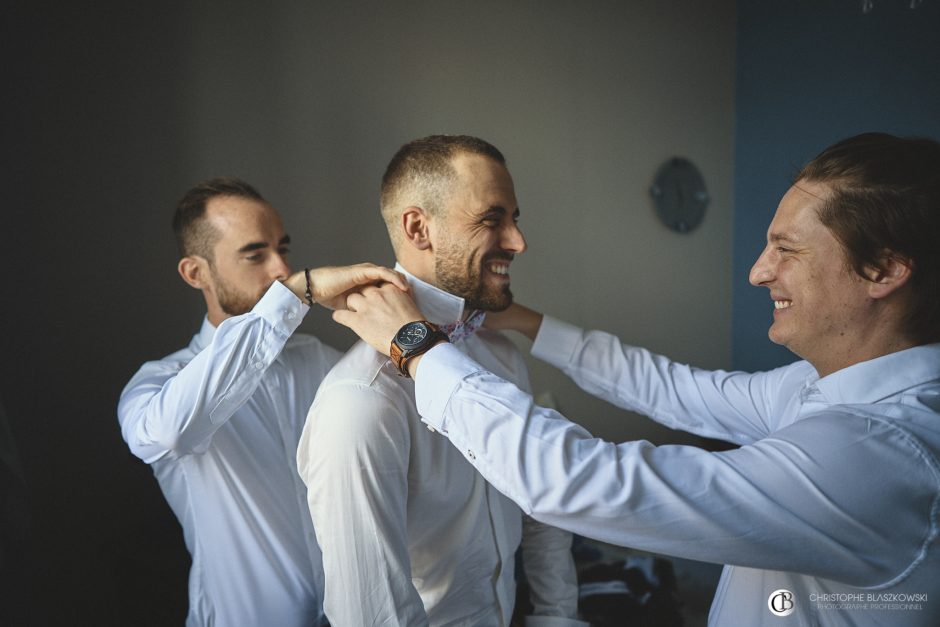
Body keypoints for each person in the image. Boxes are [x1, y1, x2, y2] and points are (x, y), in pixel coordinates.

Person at [333, 133, 940, 626]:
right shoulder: (360, 402)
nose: (758, 272)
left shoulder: (881, 453)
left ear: (883, 269)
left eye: (788, 249)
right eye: (495, 219)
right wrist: (523, 321)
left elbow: (580, 484)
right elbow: (669, 388)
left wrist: (420, 347)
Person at [296, 136, 585, 626]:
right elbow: (373, 616)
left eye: (515, 218)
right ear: (418, 228)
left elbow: (541, 506)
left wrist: (558, 616)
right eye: (493, 220)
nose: (518, 242)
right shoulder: (361, 401)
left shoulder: (502, 357)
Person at [118, 177, 406, 627]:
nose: (279, 268)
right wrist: (293, 296)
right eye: (255, 254)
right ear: (196, 273)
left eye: (283, 250)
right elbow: (169, 434)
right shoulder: (159, 383)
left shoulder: (323, 363)